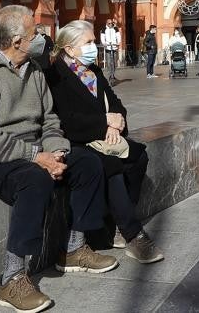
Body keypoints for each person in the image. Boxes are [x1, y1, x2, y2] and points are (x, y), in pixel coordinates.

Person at [0, 5, 117, 312]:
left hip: (30, 149)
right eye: (35, 32)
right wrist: (35, 157)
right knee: (33, 179)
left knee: (87, 162)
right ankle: (12, 277)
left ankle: (74, 248)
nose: (41, 37)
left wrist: (57, 150)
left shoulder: (34, 71)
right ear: (16, 41)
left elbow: (50, 120)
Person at [45, 20, 164, 264]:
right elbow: (64, 119)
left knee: (138, 156)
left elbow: (116, 102)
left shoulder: (95, 72)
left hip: (105, 136)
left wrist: (116, 122)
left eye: (93, 41)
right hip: (77, 141)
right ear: (69, 49)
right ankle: (133, 234)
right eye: (88, 42)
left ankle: (118, 225)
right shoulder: (55, 75)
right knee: (111, 166)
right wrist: (103, 122)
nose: (94, 47)